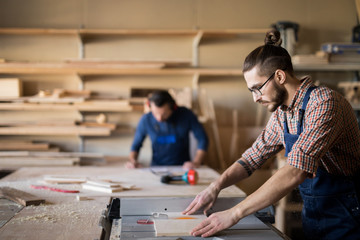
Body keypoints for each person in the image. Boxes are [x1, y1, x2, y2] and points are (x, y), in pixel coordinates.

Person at [183, 29, 360, 239]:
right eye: (251, 91)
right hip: (314, 212)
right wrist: (215, 186)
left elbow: (296, 170)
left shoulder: (324, 103)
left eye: (257, 88)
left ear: (279, 76)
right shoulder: (282, 114)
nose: (255, 98)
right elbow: (251, 159)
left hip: (348, 211)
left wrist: (234, 213)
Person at [127, 90, 208, 170]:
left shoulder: (186, 115)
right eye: (155, 113)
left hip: (182, 167)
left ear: (173, 107)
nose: (159, 118)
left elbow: (203, 139)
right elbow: (136, 145)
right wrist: (132, 160)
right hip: (156, 168)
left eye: (164, 114)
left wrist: (197, 161)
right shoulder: (146, 119)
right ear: (150, 107)